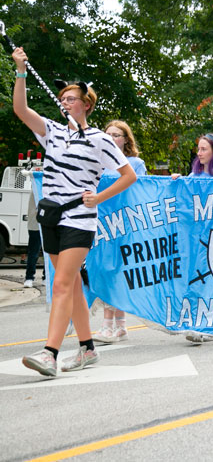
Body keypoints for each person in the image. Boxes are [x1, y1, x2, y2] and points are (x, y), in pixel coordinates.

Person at [12, 47, 136, 376]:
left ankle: (50, 353)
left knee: (62, 285)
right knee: (73, 286)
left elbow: (129, 176)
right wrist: (21, 71)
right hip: (52, 216)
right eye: (62, 98)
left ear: (86, 105)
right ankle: (88, 349)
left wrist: (98, 197)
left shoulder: (99, 139)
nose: (65, 102)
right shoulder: (52, 132)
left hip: (79, 219)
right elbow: (21, 110)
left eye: (71, 99)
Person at [175, 133, 213, 343]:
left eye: (203, 149)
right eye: (198, 149)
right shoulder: (194, 176)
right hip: (196, 239)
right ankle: (196, 322)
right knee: (196, 280)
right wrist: (176, 182)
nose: (199, 153)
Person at [93, 120, 147, 344]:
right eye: (108, 134)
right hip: (100, 223)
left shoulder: (135, 163)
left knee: (114, 271)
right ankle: (120, 326)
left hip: (124, 223)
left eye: (116, 135)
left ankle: (109, 326)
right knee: (106, 271)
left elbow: (144, 191)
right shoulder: (97, 162)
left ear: (126, 139)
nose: (112, 138)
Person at [24, 193, 45, 288]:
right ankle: (29, 277)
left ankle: (46, 278)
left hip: (49, 224)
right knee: (33, 252)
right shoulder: (36, 187)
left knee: (48, 253)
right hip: (35, 224)